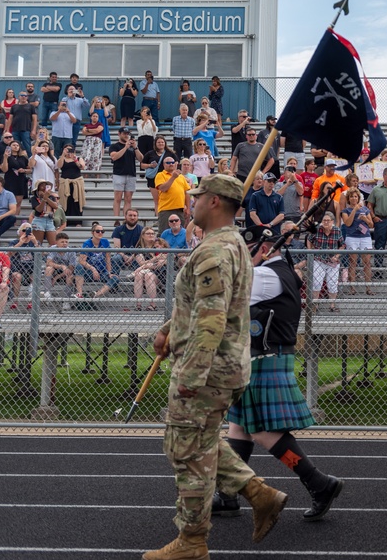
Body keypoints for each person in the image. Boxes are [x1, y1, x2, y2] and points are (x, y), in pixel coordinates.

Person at [147, 174, 288, 560]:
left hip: (208, 370)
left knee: (187, 451)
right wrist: (169, 330)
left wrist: (191, 374)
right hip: (226, 365)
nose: (190, 202)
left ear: (213, 202)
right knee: (204, 443)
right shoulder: (232, 245)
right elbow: (203, 308)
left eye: (197, 196)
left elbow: (210, 320)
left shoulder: (213, 251)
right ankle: (260, 494)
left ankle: (192, 541)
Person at [212, 223, 343, 522]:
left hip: (265, 359)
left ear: (263, 249)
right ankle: (229, 495)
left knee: (261, 430)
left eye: (246, 251)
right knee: (239, 427)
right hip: (259, 358)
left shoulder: (265, 275)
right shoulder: (274, 271)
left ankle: (318, 483)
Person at [307, 212, 344, 311]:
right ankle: (315, 305)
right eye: (324, 220)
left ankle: (332, 305)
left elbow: (342, 245)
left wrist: (336, 256)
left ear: (332, 221)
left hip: (333, 262)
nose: (326, 222)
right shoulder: (317, 229)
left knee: (332, 283)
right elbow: (309, 239)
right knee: (316, 282)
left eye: (328, 220)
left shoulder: (337, 230)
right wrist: (310, 251)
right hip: (319, 259)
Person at [341, 188, 374, 295]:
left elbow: (371, 225)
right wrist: (354, 210)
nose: (354, 198)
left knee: (367, 263)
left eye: (355, 196)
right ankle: (352, 289)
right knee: (353, 262)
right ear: (348, 199)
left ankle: (368, 288)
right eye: (351, 196)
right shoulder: (345, 211)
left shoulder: (365, 209)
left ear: (358, 197)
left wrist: (365, 219)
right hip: (352, 237)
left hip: (365, 237)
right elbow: (347, 223)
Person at [109, 128, 143, 218]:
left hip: (131, 174)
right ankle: (116, 219)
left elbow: (141, 159)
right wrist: (125, 147)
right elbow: (114, 157)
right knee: (118, 198)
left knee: (128, 199)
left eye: (127, 133)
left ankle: (126, 219)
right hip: (118, 174)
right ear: (119, 134)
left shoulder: (133, 147)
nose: (126, 135)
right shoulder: (114, 146)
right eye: (124, 133)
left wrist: (135, 147)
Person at [155, 157, 192, 232]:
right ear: (164, 165)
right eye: (168, 163)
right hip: (166, 209)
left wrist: (188, 208)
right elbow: (163, 188)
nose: (171, 164)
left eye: (172, 162)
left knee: (181, 234)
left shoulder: (181, 177)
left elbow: (187, 193)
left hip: (180, 210)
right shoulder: (160, 175)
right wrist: (173, 177)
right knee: (164, 233)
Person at [247, 172, 286, 238]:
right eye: (269, 181)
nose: (271, 183)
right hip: (259, 230)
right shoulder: (255, 196)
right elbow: (252, 214)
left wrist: (270, 224)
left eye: (273, 181)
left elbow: (281, 215)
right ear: (263, 182)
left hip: (274, 229)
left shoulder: (279, 197)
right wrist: (261, 226)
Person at [56, 145, 85, 227]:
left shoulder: (78, 158)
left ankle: (78, 222)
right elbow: (59, 166)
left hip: (76, 183)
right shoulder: (62, 159)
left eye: (71, 150)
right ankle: (65, 221)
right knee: (65, 202)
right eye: (67, 150)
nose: (69, 152)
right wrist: (63, 154)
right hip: (65, 183)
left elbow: (82, 167)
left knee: (77, 202)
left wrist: (75, 159)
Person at [0, 140, 30, 217]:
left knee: (18, 202)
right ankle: (8, 218)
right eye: (13, 145)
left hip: (21, 180)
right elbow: (4, 169)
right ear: (9, 147)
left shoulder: (23, 158)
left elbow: (30, 169)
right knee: (9, 202)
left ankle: (15, 219)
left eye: (17, 145)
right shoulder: (7, 157)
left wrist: (24, 170)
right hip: (10, 180)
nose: (16, 146)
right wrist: (5, 158)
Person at [112, 208, 143, 274]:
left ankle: (136, 277)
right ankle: (114, 277)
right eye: (130, 215)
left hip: (136, 255)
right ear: (125, 216)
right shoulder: (118, 229)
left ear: (137, 217)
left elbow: (141, 247)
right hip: (122, 255)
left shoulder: (142, 230)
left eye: (135, 216)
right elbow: (117, 247)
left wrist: (132, 256)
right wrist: (124, 256)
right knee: (116, 258)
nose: (132, 217)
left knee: (140, 257)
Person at [7, 91, 38, 155]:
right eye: (22, 95)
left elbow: (34, 119)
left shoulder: (31, 107)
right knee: (15, 147)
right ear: (19, 97)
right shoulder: (14, 106)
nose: (23, 97)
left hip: (26, 130)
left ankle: (30, 162)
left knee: (27, 148)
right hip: (15, 130)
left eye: (25, 96)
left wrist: (34, 130)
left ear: (27, 97)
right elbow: (10, 119)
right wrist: (7, 130)